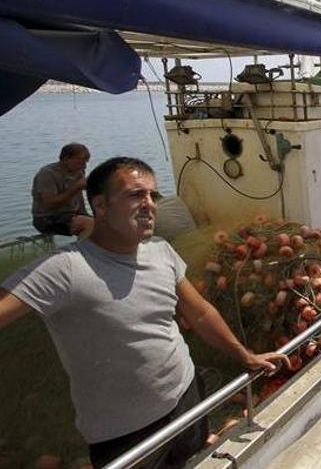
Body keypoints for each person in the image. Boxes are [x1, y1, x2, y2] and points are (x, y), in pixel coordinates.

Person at [0, 157, 290, 468]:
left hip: (187, 400)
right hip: (126, 434)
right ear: (100, 205)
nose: (150, 204)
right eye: (136, 195)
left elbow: (201, 313)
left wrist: (245, 355)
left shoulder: (161, 250)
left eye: (153, 195)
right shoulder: (64, 269)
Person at [31, 143, 94, 237]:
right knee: (88, 224)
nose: (84, 166)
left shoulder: (78, 171)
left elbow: (79, 195)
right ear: (66, 159)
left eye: (86, 162)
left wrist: (84, 213)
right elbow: (48, 203)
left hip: (70, 215)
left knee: (103, 223)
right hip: (47, 219)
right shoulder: (47, 174)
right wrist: (76, 187)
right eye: (80, 162)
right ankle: (84, 250)